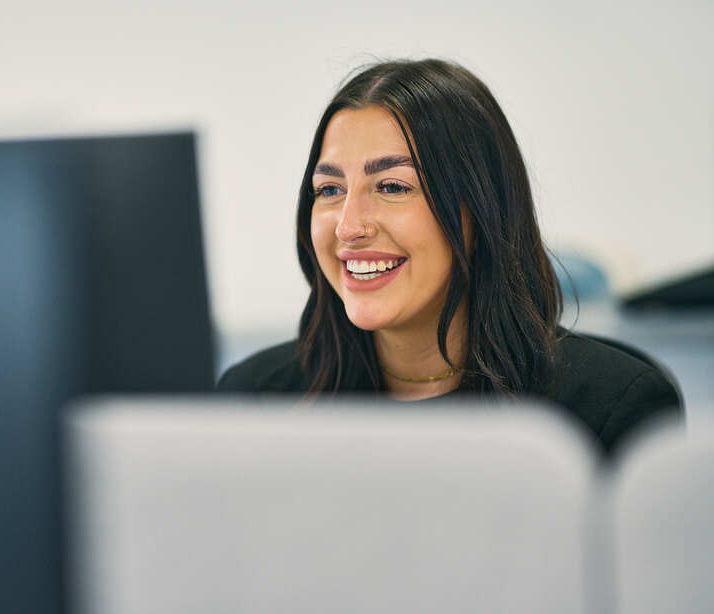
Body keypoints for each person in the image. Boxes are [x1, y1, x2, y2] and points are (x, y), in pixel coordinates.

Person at [217, 59, 682, 458]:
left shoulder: (608, 407)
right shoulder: (255, 403)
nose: (348, 226)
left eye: (393, 187)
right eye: (330, 190)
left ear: (480, 212)